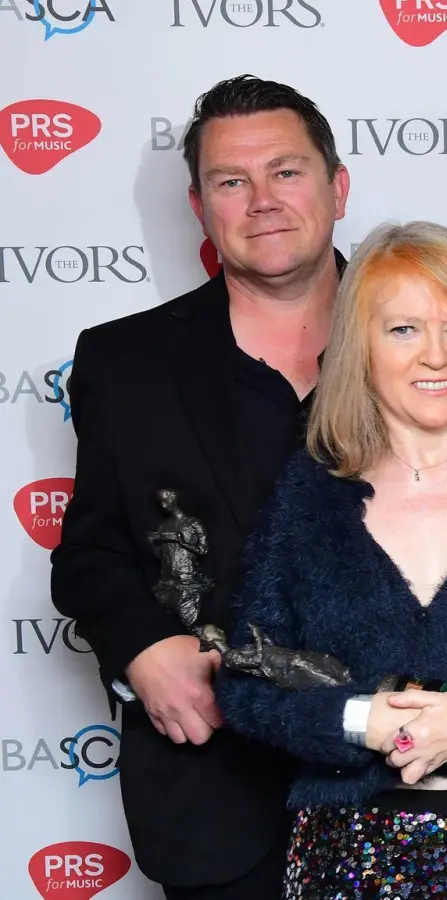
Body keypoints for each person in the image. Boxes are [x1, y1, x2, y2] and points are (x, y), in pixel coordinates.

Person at [214, 221, 447, 898]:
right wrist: (360, 721)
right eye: (403, 330)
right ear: (360, 346)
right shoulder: (309, 495)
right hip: (340, 863)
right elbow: (247, 683)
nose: (436, 357)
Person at [50, 75, 348, 899]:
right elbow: (91, 554)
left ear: (338, 186)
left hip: (404, 791)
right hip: (214, 801)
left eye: (286, 171)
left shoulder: (435, 338)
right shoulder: (125, 362)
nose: (261, 200)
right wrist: (141, 644)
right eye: (230, 180)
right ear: (199, 206)